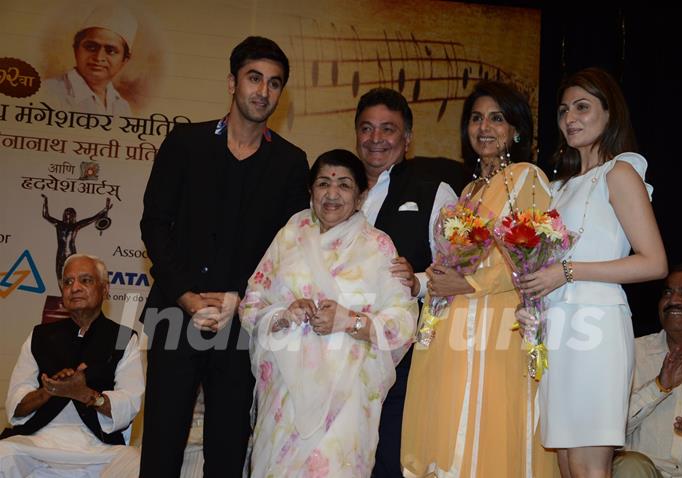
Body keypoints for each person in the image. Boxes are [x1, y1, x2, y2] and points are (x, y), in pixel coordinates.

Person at [139, 36, 309, 477]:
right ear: (232, 82)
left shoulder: (291, 163)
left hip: (244, 322)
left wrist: (240, 296)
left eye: (274, 84)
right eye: (254, 78)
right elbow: (155, 225)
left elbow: (284, 249)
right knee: (160, 445)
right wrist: (187, 297)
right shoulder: (185, 143)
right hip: (175, 315)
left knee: (229, 449)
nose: (263, 91)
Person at [401, 80, 560, 478]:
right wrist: (439, 275)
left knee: (488, 433)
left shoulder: (528, 177)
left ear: (517, 129)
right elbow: (461, 258)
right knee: (452, 428)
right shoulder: (470, 189)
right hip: (456, 325)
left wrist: (470, 285)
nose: (484, 127)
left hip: (498, 327)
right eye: (476, 118)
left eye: (496, 118)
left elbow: (530, 261)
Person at [515, 67, 668, 477]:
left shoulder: (619, 173)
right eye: (564, 110)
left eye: (582, 107)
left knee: (589, 468)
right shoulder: (559, 187)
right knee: (567, 465)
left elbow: (654, 262)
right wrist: (532, 299)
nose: (570, 118)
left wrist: (565, 272)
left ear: (609, 113)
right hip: (557, 331)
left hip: (596, 327)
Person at [240, 149, 418, 477]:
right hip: (285, 394)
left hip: (348, 397)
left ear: (361, 196)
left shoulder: (378, 246)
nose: (332, 194)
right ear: (311, 191)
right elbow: (250, 306)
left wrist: (350, 321)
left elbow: (404, 322)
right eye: (323, 183)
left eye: (344, 185)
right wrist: (284, 313)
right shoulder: (289, 237)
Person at [352, 87, 465, 478]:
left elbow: (458, 271)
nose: (376, 138)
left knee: (389, 459)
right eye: (367, 128)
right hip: (338, 351)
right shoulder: (337, 188)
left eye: (388, 129)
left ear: (407, 138)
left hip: (403, 356)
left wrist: (416, 282)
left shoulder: (434, 191)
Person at [0, 253, 143, 477]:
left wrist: (85, 394)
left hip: (98, 449)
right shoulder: (40, 335)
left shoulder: (124, 338)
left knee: (136, 463)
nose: (74, 287)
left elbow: (129, 403)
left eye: (85, 280)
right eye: (68, 282)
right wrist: (47, 392)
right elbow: (15, 405)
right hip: (37, 443)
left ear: (105, 289)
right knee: (3, 454)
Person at [612, 264, 682, 478]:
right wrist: (659, 387)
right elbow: (605, 433)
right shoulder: (630, 353)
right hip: (644, 472)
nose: (674, 300)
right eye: (667, 293)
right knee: (630, 466)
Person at [43, 4, 137, 115]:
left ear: (124, 60)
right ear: (76, 49)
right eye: (91, 47)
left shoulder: (122, 106)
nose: (98, 57)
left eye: (110, 51)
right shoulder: (47, 92)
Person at [41, 194, 112, 281]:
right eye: (66, 212)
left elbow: (92, 219)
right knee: (59, 274)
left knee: (71, 274)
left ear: (74, 216)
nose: (68, 215)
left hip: (71, 254)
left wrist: (104, 210)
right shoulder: (58, 224)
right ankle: (63, 293)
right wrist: (45, 201)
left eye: (70, 213)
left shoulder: (76, 226)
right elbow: (45, 215)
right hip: (60, 254)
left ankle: (69, 292)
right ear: (63, 214)